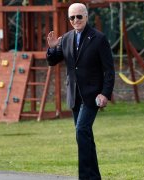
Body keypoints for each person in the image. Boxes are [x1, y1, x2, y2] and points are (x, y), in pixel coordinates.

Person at [46, 3, 115, 180]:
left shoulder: (99, 38)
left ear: (86, 17)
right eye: (72, 17)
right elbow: (53, 61)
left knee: (82, 130)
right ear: (69, 20)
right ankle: (94, 177)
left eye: (79, 16)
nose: (76, 20)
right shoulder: (67, 38)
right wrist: (53, 48)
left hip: (93, 95)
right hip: (74, 95)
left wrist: (105, 93)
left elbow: (109, 70)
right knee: (85, 136)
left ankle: (85, 177)